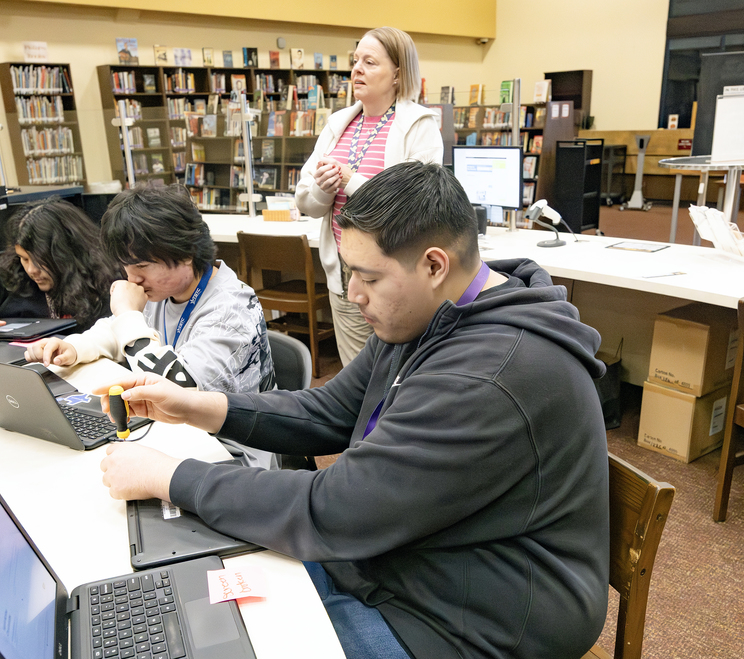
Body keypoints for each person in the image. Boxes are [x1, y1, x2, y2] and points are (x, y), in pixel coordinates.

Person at [96, 162, 610, 659]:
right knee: (208, 600)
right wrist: (197, 406)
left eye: (368, 277)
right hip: (404, 557)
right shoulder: (431, 311)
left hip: (469, 619)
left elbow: (335, 509)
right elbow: (329, 411)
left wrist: (171, 477)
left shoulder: (488, 376)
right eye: (349, 273)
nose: (354, 294)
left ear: (434, 266)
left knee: (234, 631)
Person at [24, 184, 277, 468]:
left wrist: (127, 313)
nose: (132, 278)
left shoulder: (231, 308)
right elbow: (117, 330)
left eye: (142, 266)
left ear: (186, 252)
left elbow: (176, 389)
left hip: (234, 454)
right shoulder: (165, 290)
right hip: (182, 436)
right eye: (126, 266)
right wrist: (74, 347)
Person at [296, 26, 443, 366]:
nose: (357, 70)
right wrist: (323, 188)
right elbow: (306, 202)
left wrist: (350, 181)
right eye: (355, 60)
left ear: (397, 74)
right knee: (355, 374)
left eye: (370, 62)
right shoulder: (337, 125)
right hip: (346, 273)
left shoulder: (419, 126)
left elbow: (416, 206)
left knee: (398, 371)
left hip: (396, 275)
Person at [0, 199, 119, 343]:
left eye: (41, 261)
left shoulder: (107, 284)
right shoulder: (10, 269)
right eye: (24, 258)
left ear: (68, 253)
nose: (31, 270)